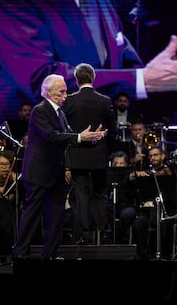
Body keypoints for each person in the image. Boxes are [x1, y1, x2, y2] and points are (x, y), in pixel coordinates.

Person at [0, 0, 177, 126]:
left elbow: (130, 80)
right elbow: (43, 80)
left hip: (97, 149)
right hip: (35, 156)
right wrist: (142, 78)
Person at [11, 74, 106, 260]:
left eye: (65, 91)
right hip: (38, 172)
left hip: (55, 173)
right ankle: (20, 253)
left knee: (56, 215)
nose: (65, 96)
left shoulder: (60, 113)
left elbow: (69, 136)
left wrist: (90, 139)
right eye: (61, 92)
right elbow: (51, 136)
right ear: (48, 92)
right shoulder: (40, 110)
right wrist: (79, 137)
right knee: (32, 214)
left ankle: (50, 254)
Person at [62, 63, 117, 245]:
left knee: (82, 196)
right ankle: (103, 233)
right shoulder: (105, 101)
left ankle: (86, 236)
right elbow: (113, 130)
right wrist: (103, 140)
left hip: (77, 157)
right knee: (100, 195)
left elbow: (63, 132)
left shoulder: (68, 101)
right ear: (93, 78)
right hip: (99, 156)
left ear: (76, 80)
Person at [130, 145, 176, 260]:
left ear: (163, 156)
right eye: (150, 156)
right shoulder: (147, 173)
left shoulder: (171, 172)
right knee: (138, 223)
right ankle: (143, 256)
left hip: (167, 212)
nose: (152, 158)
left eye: (155, 155)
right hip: (149, 213)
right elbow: (129, 183)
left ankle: (165, 256)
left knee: (165, 225)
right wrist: (134, 175)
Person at [107, 150, 137, 244]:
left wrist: (131, 178)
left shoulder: (131, 173)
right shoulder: (108, 173)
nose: (118, 166)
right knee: (102, 213)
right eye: (116, 163)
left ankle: (119, 237)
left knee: (129, 213)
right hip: (110, 206)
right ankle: (110, 238)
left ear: (126, 164)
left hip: (125, 205)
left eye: (121, 163)